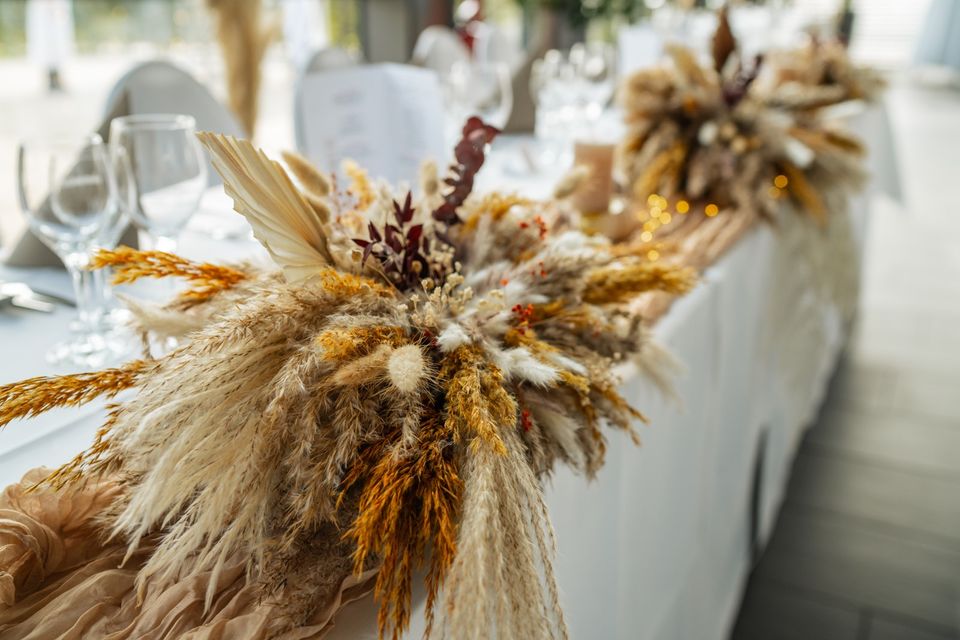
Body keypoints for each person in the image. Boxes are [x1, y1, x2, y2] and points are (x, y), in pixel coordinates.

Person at [26, 0, 75, 92]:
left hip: (57, 5)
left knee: (59, 39)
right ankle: (49, 75)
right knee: (44, 40)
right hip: (41, 6)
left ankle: (57, 75)